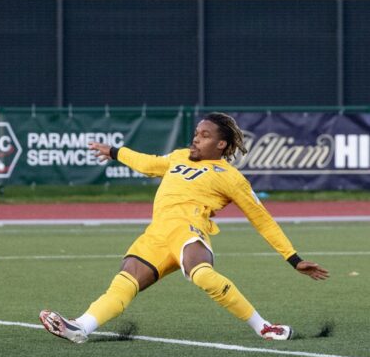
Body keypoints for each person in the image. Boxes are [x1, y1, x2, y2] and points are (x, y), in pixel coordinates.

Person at [40, 112, 329, 343]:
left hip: (188, 228)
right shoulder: (179, 157)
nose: (196, 139)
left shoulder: (231, 177)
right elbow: (149, 163)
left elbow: (261, 218)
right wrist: (116, 152)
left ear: (222, 145)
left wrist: (293, 258)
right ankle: (80, 327)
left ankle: (264, 327)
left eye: (205, 136)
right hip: (156, 234)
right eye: (196, 133)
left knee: (202, 276)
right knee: (123, 284)